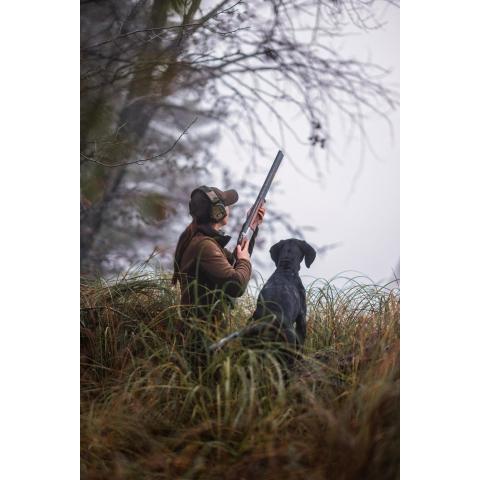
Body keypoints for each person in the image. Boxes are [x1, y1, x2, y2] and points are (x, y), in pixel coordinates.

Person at [172, 186, 266, 331]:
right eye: (227, 205)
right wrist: (244, 261)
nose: (229, 208)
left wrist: (252, 227)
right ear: (218, 212)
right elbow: (236, 285)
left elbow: (231, 264)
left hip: (202, 331)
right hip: (199, 336)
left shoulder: (203, 241)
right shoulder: (205, 246)